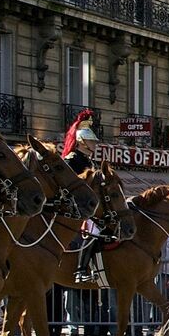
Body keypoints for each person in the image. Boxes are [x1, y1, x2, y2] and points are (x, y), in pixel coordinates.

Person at [62, 110, 105, 282]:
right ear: (81, 140)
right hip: (78, 207)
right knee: (94, 230)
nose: (94, 143)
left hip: (91, 206)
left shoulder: (90, 161)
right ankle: (81, 269)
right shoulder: (71, 160)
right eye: (90, 140)